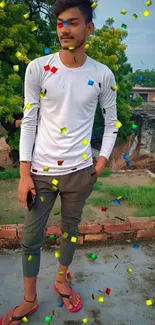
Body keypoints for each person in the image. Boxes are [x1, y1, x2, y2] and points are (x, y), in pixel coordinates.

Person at [0, 0, 118, 324]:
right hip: (40, 172)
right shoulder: (38, 68)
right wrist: (24, 175)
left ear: (89, 28)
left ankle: (61, 280)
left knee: (70, 232)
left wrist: (100, 164)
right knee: (30, 240)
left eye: (73, 22)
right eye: (60, 23)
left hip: (81, 173)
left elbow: (111, 124)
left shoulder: (102, 75)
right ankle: (29, 300)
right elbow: (29, 121)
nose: (64, 29)